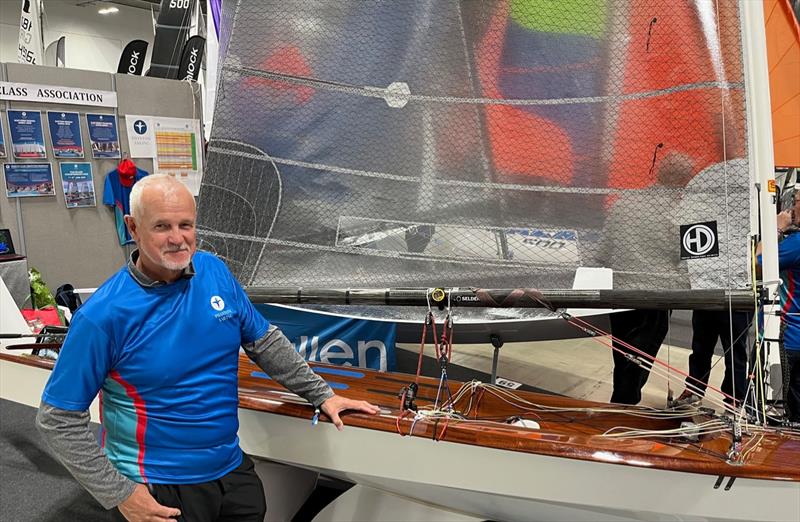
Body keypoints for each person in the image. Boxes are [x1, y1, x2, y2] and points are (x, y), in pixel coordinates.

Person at [36, 174, 380, 521]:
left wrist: (322, 394)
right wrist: (121, 494)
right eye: (161, 226)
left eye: (186, 224)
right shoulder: (103, 316)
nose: (177, 238)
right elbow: (57, 419)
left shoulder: (214, 271)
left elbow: (265, 341)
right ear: (133, 227)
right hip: (158, 485)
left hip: (230, 471)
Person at [603, 152, 694, 405]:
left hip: (619, 292)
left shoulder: (625, 202)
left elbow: (604, 250)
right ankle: (622, 406)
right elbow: (687, 255)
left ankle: (621, 404)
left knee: (623, 356)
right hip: (656, 294)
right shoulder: (682, 211)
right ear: (685, 181)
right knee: (637, 360)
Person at [675, 157, 753, 408]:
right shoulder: (704, 197)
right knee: (701, 345)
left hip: (738, 291)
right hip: (707, 291)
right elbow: (694, 240)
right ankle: (695, 388)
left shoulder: (750, 203)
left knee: (736, 351)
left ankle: (736, 398)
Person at [757, 191, 800, 422]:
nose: (792, 208)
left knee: (783, 412)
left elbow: (759, 261)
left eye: (796, 202)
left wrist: (776, 228)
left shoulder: (795, 245)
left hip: (791, 338)